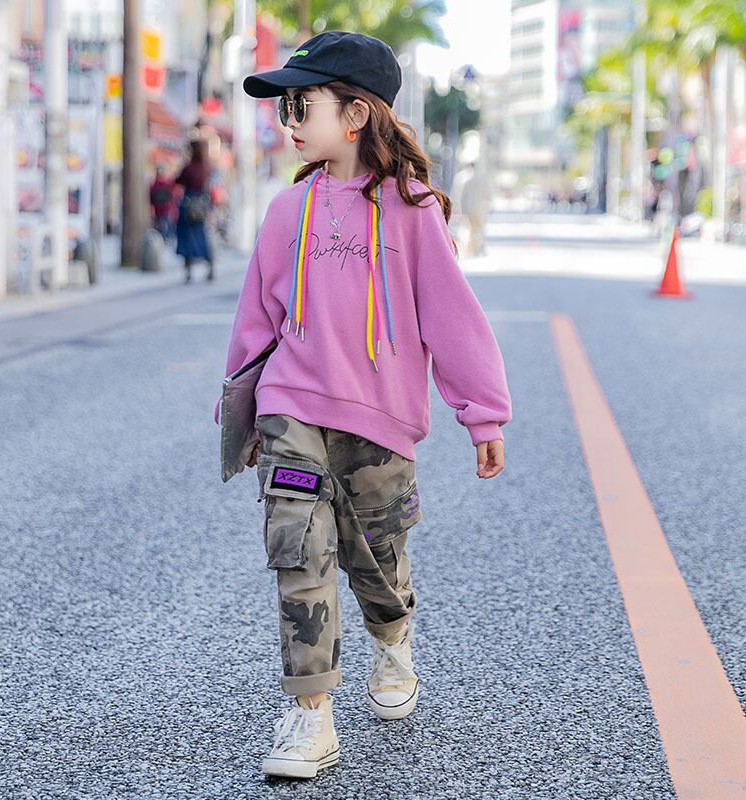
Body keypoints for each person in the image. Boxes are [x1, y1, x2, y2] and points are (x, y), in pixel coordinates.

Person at [212, 30, 512, 780]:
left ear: (355, 115)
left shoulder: (412, 210)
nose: (288, 119)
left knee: (377, 557)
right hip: (292, 407)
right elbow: (256, 319)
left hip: (380, 420)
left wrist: (482, 412)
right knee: (298, 550)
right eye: (284, 107)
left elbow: (452, 317)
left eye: (300, 105)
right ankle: (310, 714)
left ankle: (392, 635)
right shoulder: (287, 210)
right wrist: (240, 409)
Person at [175, 137, 215, 283]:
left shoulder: (189, 167)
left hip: (188, 203)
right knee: (201, 235)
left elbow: (178, 180)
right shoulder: (206, 167)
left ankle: (188, 270)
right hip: (201, 204)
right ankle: (209, 264)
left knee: (186, 236)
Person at [149, 164, 177, 242]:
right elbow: (173, 195)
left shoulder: (155, 184)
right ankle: (163, 240)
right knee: (164, 228)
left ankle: (162, 241)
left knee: (161, 228)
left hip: (161, 210)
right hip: (165, 210)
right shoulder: (167, 183)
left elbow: (151, 197)